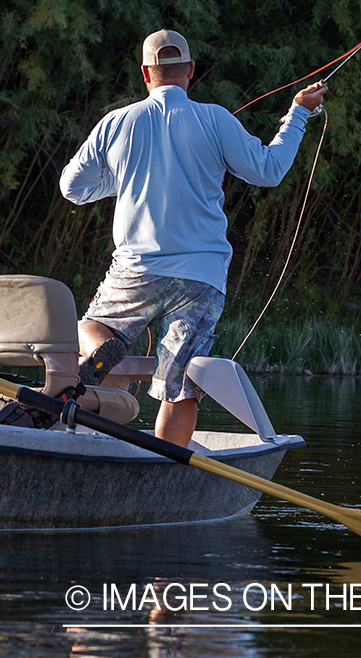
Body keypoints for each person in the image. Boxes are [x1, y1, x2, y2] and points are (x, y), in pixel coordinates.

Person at [59, 29, 327, 447]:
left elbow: (72, 188)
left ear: (146, 74)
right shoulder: (215, 118)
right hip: (200, 277)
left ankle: (101, 351)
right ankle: (169, 470)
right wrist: (298, 114)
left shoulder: (116, 122)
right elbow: (269, 170)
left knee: (92, 325)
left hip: (135, 270)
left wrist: (125, 182)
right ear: (190, 71)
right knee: (178, 382)